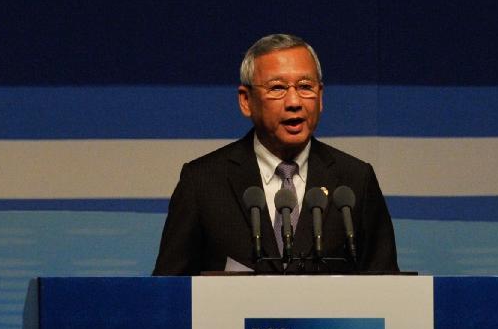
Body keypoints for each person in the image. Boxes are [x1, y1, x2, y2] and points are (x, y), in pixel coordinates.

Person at [153, 33, 399, 275]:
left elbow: (388, 288)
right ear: (246, 100)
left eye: (305, 87)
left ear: (321, 97)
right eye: (278, 88)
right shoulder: (203, 182)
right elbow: (167, 293)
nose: (294, 101)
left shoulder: (355, 180)